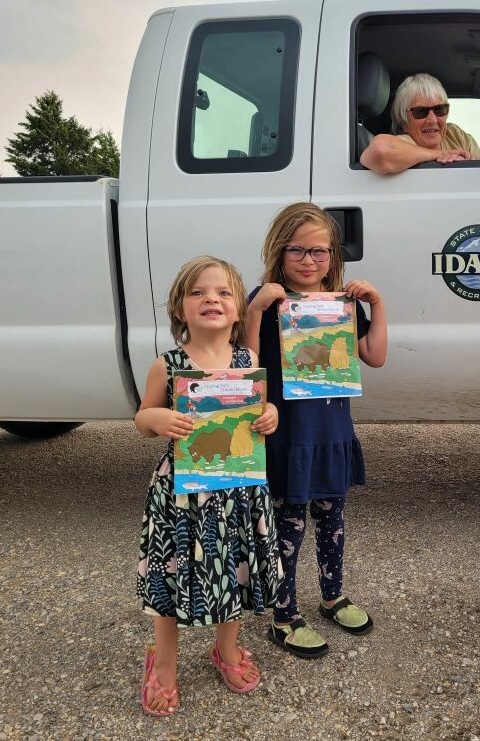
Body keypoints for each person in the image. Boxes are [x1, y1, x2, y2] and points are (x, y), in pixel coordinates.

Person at [134, 256, 282, 716]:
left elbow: (260, 409)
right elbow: (142, 418)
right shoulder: (167, 365)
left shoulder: (248, 360)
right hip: (182, 494)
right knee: (172, 573)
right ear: (179, 307)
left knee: (234, 568)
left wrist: (270, 414)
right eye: (197, 292)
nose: (211, 299)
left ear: (238, 309)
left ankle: (227, 648)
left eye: (222, 292)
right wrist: (158, 418)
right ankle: (164, 662)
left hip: (238, 490)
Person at [246, 203, 388, 658]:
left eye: (319, 251)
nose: (308, 260)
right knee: (287, 529)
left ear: (333, 255)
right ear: (279, 251)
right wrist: (255, 309)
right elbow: (246, 364)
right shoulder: (266, 301)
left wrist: (377, 304)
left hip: (331, 434)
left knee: (332, 522)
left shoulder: (342, 304)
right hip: (287, 437)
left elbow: (375, 356)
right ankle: (283, 615)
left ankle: (332, 596)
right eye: (297, 250)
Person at [360, 73, 480, 175]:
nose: (432, 120)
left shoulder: (456, 135)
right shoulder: (404, 142)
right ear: (404, 122)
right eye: (420, 111)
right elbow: (380, 150)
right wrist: (441, 155)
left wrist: (473, 162)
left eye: (439, 109)